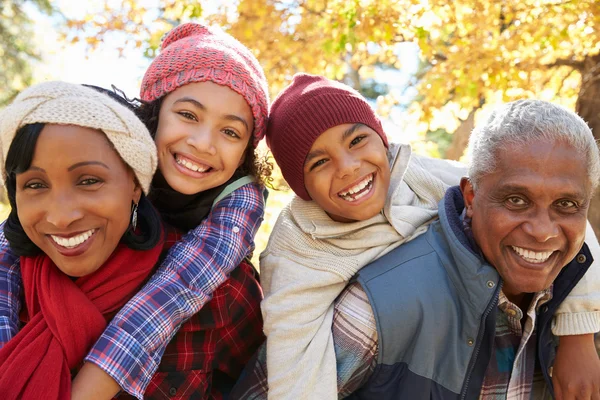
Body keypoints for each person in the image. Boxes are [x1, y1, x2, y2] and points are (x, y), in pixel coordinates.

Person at [231, 75, 600, 399]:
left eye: (358, 140)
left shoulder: (418, 174)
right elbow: (292, 363)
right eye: (319, 161)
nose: (349, 167)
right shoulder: (300, 252)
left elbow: (576, 234)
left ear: (383, 141)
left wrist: (578, 334)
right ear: (302, 187)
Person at [0, 22, 271, 399]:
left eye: (231, 132)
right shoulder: (30, 258)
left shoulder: (227, 274)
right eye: (189, 115)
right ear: (153, 115)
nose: (203, 143)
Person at [0, 81, 163, 399]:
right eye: (35, 185)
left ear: (134, 185)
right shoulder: (11, 289)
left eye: (89, 180)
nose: (61, 218)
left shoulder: (219, 296)